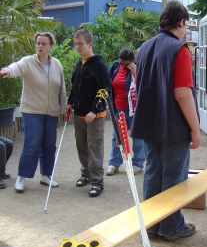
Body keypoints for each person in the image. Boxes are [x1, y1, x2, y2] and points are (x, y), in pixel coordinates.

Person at [131, 0, 201, 241]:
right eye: (186, 24)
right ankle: (171, 227)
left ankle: (151, 225)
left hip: (148, 122)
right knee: (174, 175)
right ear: (180, 22)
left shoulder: (144, 48)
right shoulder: (179, 49)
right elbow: (182, 93)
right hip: (173, 124)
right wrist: (195, 129)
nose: (185, 30)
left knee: (153, 171)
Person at [0, 32, 67, 192]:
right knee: (32, 143)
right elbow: (16, 67)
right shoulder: (28, 61)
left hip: (51, 112)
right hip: (32, 111)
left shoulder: (57, 64)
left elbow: (62, 89)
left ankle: (46, 175)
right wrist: (8, 70)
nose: (40, 46)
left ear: (50, 46)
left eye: (44, 44)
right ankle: (22, 176)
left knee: (50, 145)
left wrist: (63, 109)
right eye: (38, 43)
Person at [66, 29, 110, 197]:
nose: (77, 47)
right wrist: (70, 103)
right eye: (75, 44)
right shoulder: (79, 64)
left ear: (90, 44)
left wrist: (94, 110)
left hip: (94, 116)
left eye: (80, 44)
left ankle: (97, 181)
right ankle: (86, 175)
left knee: (95, 148)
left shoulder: (98, 65)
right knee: (82, 146)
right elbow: (75, 87)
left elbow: (105, 90)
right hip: (79, 114)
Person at [106, 48, 146, 175]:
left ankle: (138, 164)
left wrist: (134, 72)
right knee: (117, 137)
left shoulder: (139, 67)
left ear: (133, 60)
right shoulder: (115, 67)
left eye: (126, 64)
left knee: (138, 137)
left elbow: (143, 86)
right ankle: (114, 163)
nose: (123, 66)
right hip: (118, 108)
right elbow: (108, 84)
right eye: (121, 63)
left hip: (134, 110)